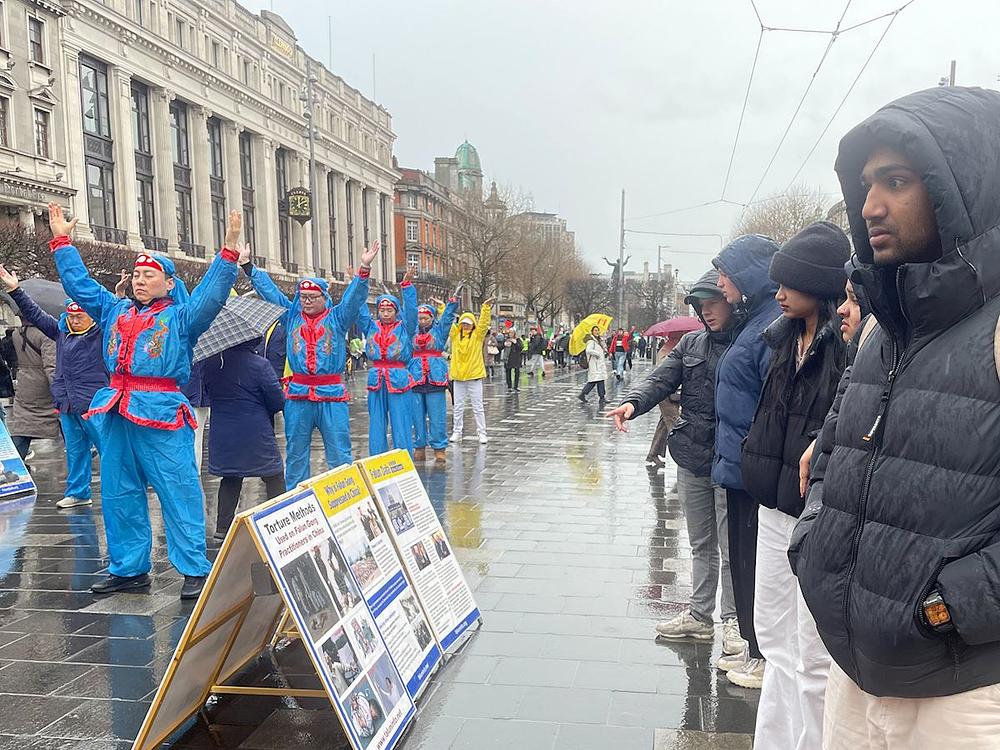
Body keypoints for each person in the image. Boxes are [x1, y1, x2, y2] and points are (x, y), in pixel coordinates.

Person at [789, 86, 1000, 748]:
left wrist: (946, 607)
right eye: (866, 185)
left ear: (963, 189)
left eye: (897, 181)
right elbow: (833, 450)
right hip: (855, 672)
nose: (870, 206)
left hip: (961, 692)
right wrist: (813, 545)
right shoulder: (885, 326)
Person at [48, 203, 241, 599]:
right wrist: (63, 243)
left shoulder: (182, 318)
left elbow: (211, 296)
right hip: (116, 409)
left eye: (149, 275)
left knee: (178, 489)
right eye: (136, 274)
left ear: (169, 283)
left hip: (161, 411)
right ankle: (128, 568)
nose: (139, 280)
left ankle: (194, 568)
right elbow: (81, 286)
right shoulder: (114, 310)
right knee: (118, 492)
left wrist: (228, 253)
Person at [738, 222, 849, 746]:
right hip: (773, 506)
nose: (778, 293)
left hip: (815, 515)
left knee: (812, 653)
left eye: (791, 283)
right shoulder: (783, 339)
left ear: (820, 285)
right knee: (773, 638)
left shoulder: (845, 346)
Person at [609, 270, 742, 655]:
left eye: (713, 303)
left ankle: (734, 619)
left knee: (732, 547)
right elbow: (659, 380)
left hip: (731, 459)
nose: (707, 311)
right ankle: (700, 616)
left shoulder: (749, 342)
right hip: (692, 455)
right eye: (701, 306)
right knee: (701, 542)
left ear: (731, 302)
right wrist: (632, 403)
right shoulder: (691, 344)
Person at [242, 241, 380, 487]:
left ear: (324, 298)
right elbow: (271, 293)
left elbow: (353, 299)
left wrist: (364, 269)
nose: (306, 301)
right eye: (303, 297)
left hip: (331, 395)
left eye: (312, 297)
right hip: (298, 395)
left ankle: (345, 496)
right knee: (295, 454)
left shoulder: (337, 318)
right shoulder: (291, 317)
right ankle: (297, 497)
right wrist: (248, 267)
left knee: (339, 454)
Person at [710, 233, 781, 688]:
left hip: (752, 468)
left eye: (725, 274)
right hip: (738, 466)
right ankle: (755, 646)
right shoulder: (755, 320)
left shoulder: (770, 323)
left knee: (755, 564)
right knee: (742, 561)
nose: (720, 283)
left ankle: (762, 652)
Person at [1, 271, 108, 508]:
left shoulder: (100, 334)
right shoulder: (61, 332)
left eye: (80, 316)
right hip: (68, 402)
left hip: (94, 404)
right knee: (76, 450)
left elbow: (111, 315)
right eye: (71, 316)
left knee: (108, 449)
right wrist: (16, 291)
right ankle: (78, 492)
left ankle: (119, 490)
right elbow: (35, 314)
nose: (75, 320)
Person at [203, 338, 285, 542]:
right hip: (255, 432)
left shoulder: (212, 364)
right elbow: (277, 401)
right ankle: (280, 519)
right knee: (274, 475)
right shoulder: (260, 365)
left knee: (230, 477)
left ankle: (222, 527)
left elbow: (208, 391)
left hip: (224, 433)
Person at [358, 271, 418, 455]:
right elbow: (360, 309)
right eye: (382, 310)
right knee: (376, 423)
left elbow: (412, 311)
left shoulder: (405, 328)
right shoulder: (371, 326)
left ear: (396, 312)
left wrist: (406, 287)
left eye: (389, 310)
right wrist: (357, 283)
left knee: (401, 422)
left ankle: (404, 459)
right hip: (376, 378)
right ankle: (377, 459)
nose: (385, 313)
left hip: (398, 377)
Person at [410, 291, 459, 462]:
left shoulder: (439, 331)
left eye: (426, 318)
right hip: (415, 375)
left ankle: (439, 447)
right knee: (416, 415)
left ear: (432, 318)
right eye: (420, 318)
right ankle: (419, 445)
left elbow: (447, 318)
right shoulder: (411, 331)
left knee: (437, 415)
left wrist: (452, 302)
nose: (422, 321)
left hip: (435, 375)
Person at [8, 298, 58, 461]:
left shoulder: (16, 333)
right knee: (65, 421)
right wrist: (60, 391)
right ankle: (84, 452)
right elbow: (51, 366)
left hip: (24, 383)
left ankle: (14, 464)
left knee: (23, 426)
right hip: (43, 386)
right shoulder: (47, 335)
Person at [449, 299, 493, 444]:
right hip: (458, 377)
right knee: (458, 407)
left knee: (478, 406)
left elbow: (483, 324)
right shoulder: (455, 336)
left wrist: (485, 307)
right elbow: (447, 321)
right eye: (463, 323)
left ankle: (482, 433)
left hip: (474, 376)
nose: (465, 325)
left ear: (473, 324)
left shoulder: (477, 336)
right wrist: (443, 307)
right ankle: (457, 431)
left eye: (468, 323)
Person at [578, 326, 608, 403]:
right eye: (595, 330)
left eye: (598, 330)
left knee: (599, 380)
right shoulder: (591, 341)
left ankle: (602, 397)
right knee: (594, 381)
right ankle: (583, 394)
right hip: (595, 364)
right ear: (592, 332)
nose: (597, 332)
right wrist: (597, 353)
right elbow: (588, 350)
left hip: (599, 364)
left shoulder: (598, 340)